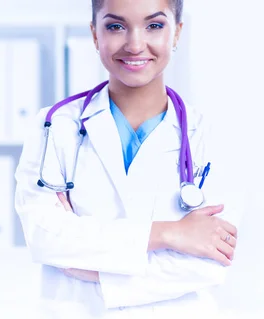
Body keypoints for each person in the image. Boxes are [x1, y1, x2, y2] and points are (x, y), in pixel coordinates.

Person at [14, 0, 245, 317]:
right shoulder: (56, 126)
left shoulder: (208, 134)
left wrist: (94, 271)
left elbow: (212, 262)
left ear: (176, 33)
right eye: (115, 26)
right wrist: (168, 234)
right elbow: (44, 237)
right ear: (95, 35)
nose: (135, 45)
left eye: (154, 25)